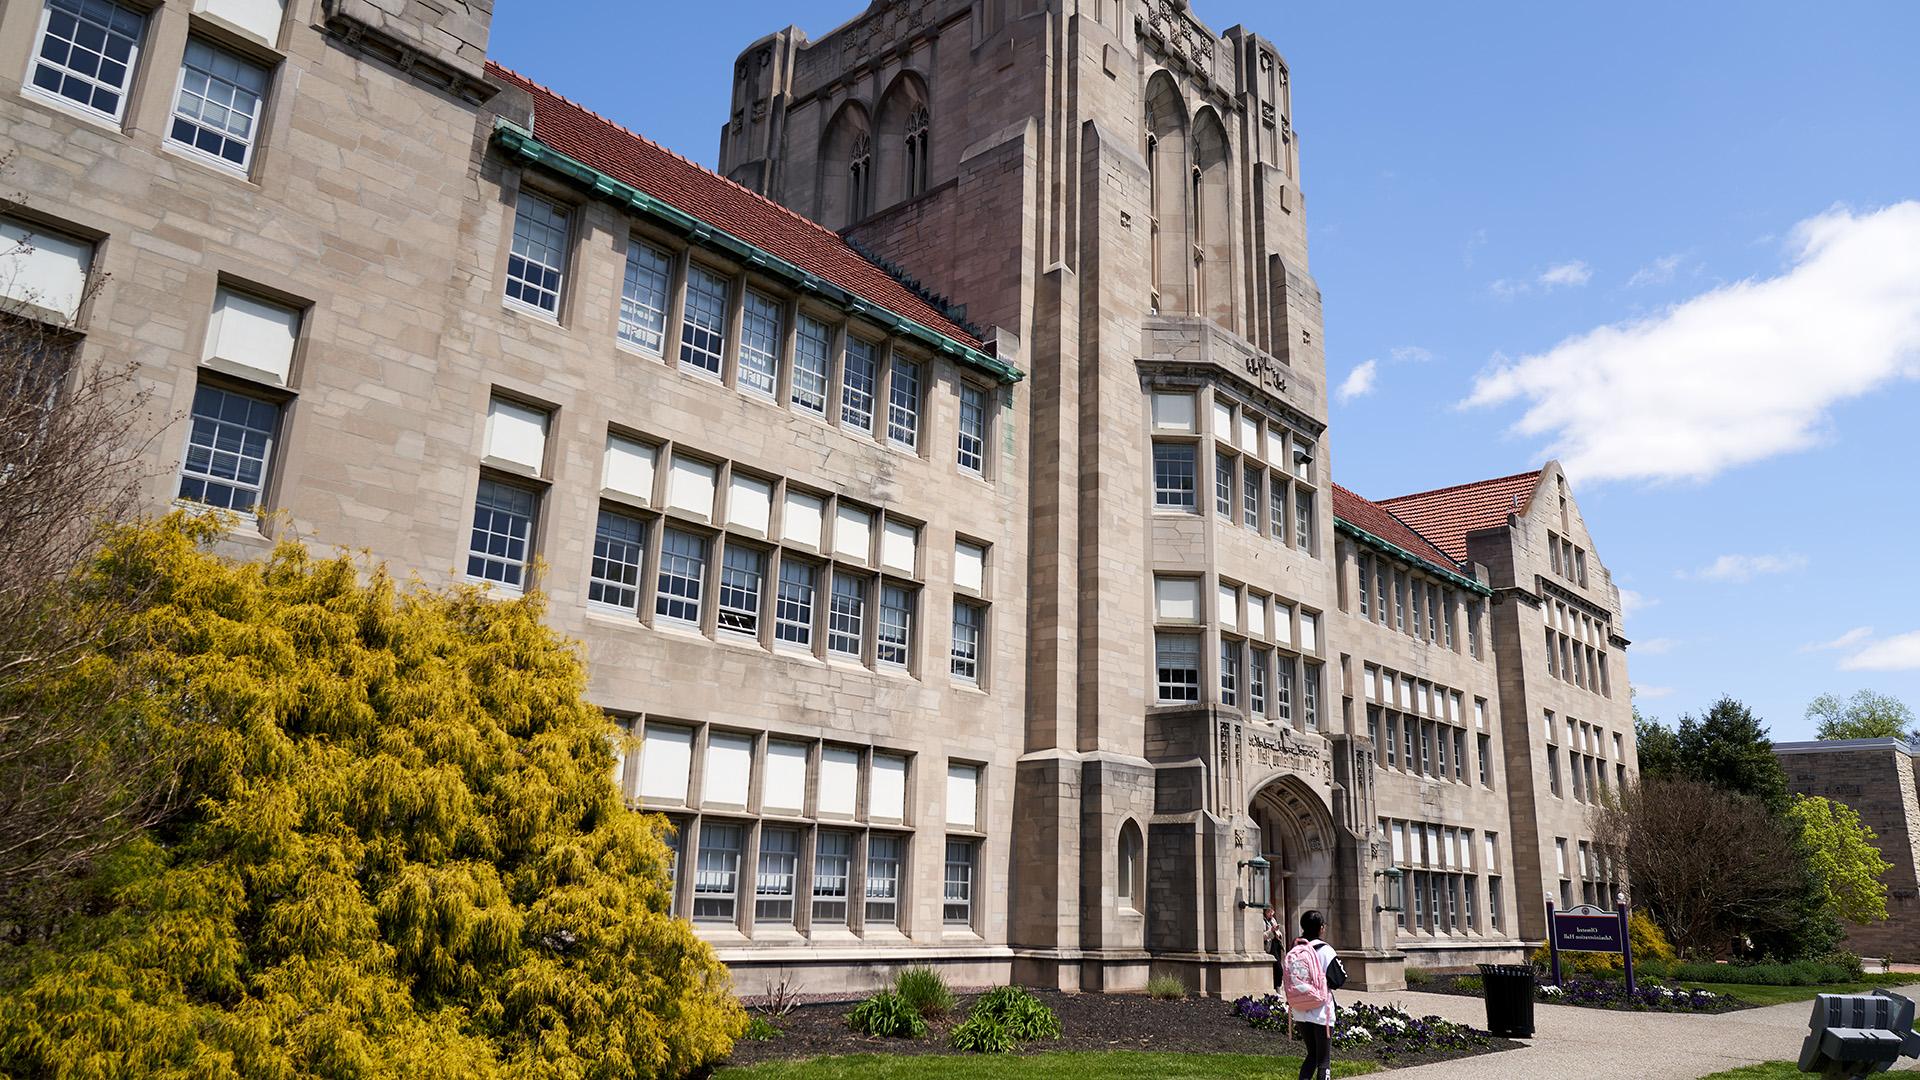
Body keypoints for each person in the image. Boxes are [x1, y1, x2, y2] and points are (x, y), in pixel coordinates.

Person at [1285, 909, 1341, 1080]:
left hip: (1300, 1010)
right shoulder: (1326, 950)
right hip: (1321, 1012)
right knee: (1324, 1061)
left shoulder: (1295, 949)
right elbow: (1338, 980)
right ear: (1321, 928)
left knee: (1312, 1055)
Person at [1261, 904, 1284, 988]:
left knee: (1278, 967)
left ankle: (1277, 987)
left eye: (1272, 912)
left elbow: (1278, 932)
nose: (1271, 914)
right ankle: (1276, 986)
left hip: (1276, 944)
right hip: (1269, 946)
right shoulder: (1262, 921)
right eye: (1269, 912)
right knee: (1278, 968)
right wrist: (1271, 931)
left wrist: (1278, 933)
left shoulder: (1272, 920)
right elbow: (1262, 936)